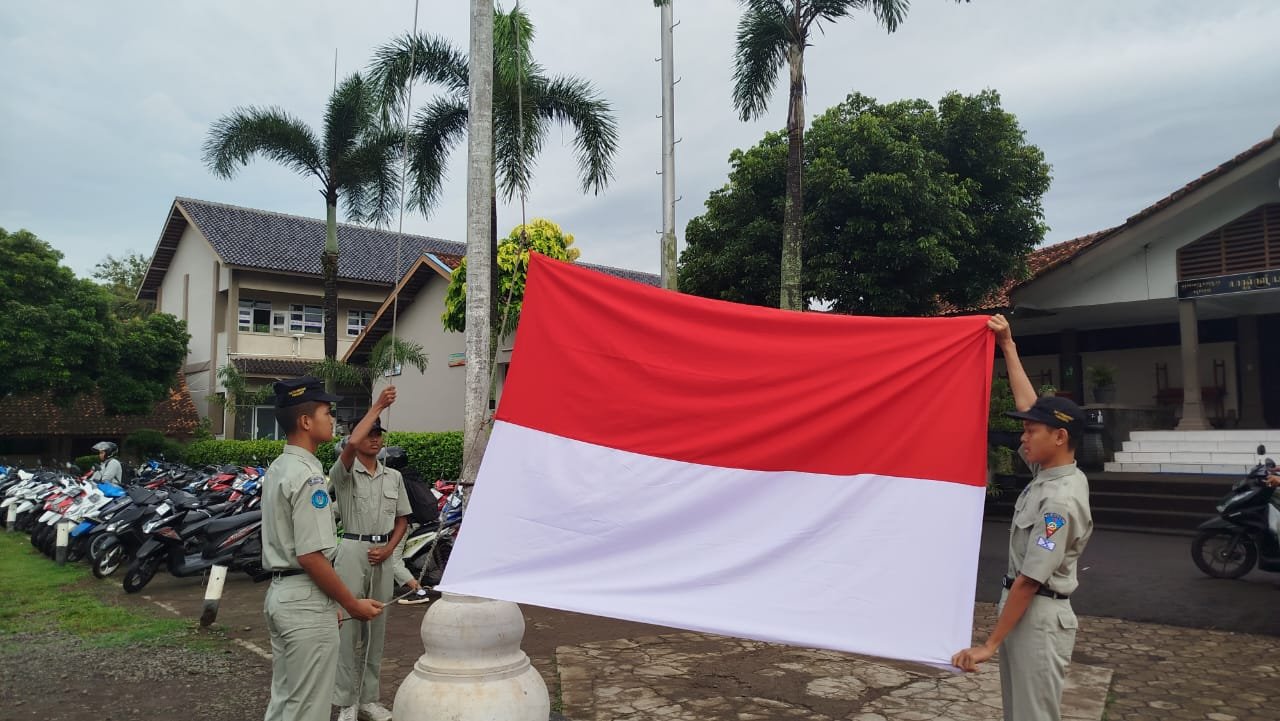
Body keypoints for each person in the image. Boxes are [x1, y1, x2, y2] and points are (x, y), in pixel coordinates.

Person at [952, 315, 1094, 721]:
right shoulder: (1048, 474)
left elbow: (1031, 579)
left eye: (1031, 432)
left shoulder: (1060, 501)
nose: (1023, 436)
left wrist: (989, 644)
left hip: (1038, 615)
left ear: (1060, 437)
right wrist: (1008, 346)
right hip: (1021, 611)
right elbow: (1028, 407)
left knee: (1033, 715)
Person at [260, 376, 383, 721]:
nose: (333, 418)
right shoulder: (307, 476)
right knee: (307, 709)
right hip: (303, 601)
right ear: (305, 421)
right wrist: (351, 602)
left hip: (285, 595)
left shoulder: (279, 468)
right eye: (327, 412)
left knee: (286, 703)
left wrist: (333, 602)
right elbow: (311, 555)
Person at [330, 387, 411, 721]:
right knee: (349, 628)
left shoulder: (394, 476)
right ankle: (347, 702)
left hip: (383, 553)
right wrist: (378, 405)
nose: (375, 439)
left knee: (377, 631)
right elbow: (349, 445)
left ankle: (369, 699)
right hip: (352, 550)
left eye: (379, 434)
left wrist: (390, 549)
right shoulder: (345, 473)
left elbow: (403, 519)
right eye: (370, 434)